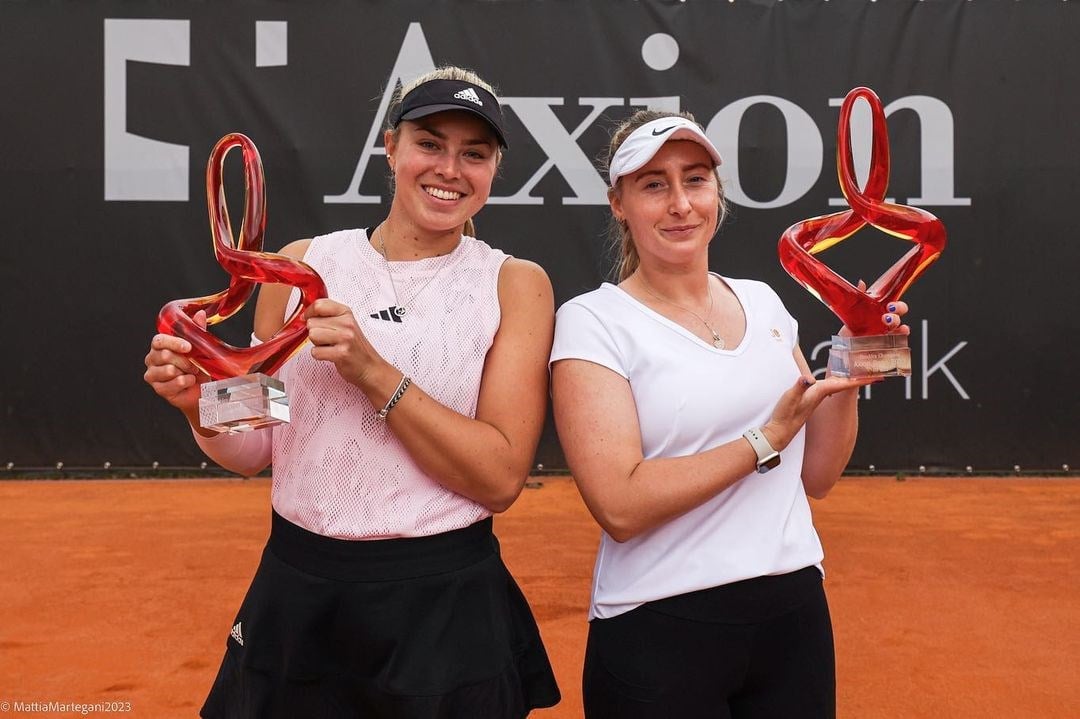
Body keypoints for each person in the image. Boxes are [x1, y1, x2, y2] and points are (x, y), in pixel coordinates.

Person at [143, 66, 561, 718]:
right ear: (390, 148)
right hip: (299, 591)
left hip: (444, 603)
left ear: (492, 171)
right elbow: (262, 440)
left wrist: (373, 371)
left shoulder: (515, 284)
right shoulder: (303, 263)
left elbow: (501, 475)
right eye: (430, 143)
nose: (450, 168)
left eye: (473, 154)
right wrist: (201, 402)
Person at [548, 110, 909, 718]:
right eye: (654, 184)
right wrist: (765, 438)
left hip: (793, 612)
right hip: (659, 625)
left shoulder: (763, 299)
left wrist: (850, 362)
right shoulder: (592, 321)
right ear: (619, 204)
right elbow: (621, 505)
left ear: (717, 193)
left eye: (695, 180)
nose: (680, 204)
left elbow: (816, 475)